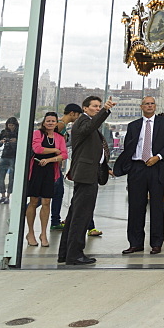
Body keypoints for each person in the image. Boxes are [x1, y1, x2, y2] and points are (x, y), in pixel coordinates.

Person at [114, 96, 164, 256]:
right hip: (137, 168)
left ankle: (156, 243)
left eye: (152, 103)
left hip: (156, 167)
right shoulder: (133, 126)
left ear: (155, 106)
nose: (149, 106)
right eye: (146, 104)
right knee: (135, 207)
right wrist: (123, 168)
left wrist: (158, 156)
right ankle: (135, 243)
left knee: (156, 207)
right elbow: (128, 147)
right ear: (141, 106)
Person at [57, 95, 115, 266]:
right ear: (85, 108)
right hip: (85, 175)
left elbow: (94, 151)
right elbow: (90, 127)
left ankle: (66, 252)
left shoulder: (86, 122)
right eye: (94, 106)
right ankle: (74, 254)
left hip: (89, 173)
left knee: (75, 214)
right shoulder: (82, 122)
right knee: (81, 216)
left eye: (99, 106)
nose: (97, 108)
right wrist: (105, 110)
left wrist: (105, 168)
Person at [25, 113, 68, 248]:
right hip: (36, 171)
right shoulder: (37, 134)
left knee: (46, 202)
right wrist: (55, 150)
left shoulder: (59, 137)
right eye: (48, 121)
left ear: (56, 123)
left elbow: (64, 154)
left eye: (53, 121)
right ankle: (30, 232)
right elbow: (37, 149)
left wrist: (49, 159)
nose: (50, 123)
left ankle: (43, 233)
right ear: (44, 122)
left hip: (50, 171)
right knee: (33, 201)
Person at [51, 104, 81, 231]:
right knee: (49, 194)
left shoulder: (63, 126)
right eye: (77, 115)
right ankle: (23, 211)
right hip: (53, 164)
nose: (77, 118)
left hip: (57, 164)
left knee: (58, 192)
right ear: (72, 113)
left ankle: (55, 221)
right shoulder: (61, 125)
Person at [0, 117, 19, 204]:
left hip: (14, 156)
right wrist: (2, 141)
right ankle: (3, 195)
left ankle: (8, 196)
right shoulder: (4, 132)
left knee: (11, 178)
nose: (11, 127)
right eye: (9, 125)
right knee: (0, 177)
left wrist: (16, 141)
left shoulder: (18, 133)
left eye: (12, 125)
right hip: (4, 155)